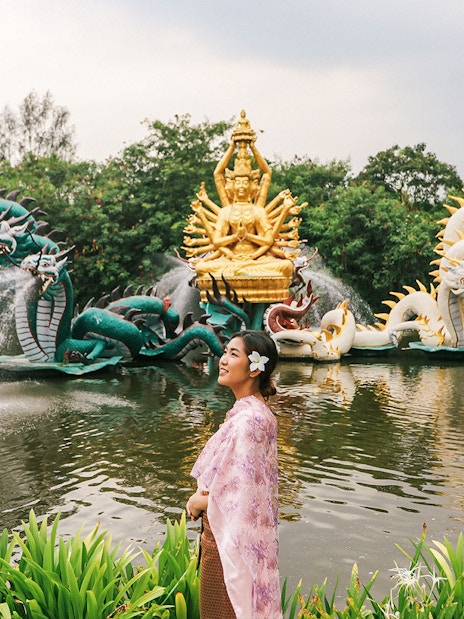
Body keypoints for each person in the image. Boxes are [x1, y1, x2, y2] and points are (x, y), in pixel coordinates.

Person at [186, 330, 283, 619]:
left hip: (230, 546)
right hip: (240, 541)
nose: (223, 360)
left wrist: (199, 502)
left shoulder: (249, 421)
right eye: (225, 352)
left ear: (255, 368)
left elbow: (242, 499)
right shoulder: (255, 413)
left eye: (233, 354)